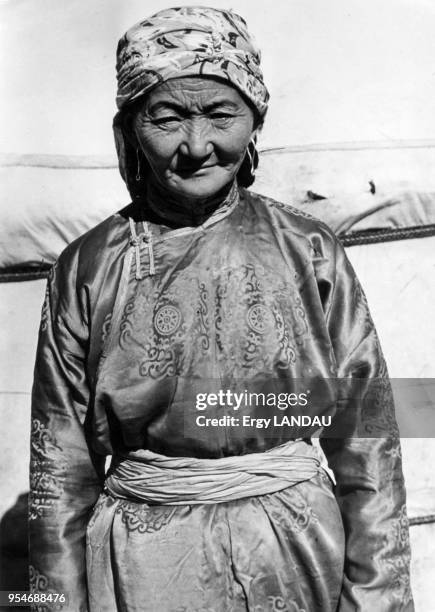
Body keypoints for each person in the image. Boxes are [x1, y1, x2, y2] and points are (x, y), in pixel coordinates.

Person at [29, 6, 413, 611]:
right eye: (168, 116)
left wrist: (378, 599)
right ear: (130, 126)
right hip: (141, 568)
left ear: (254, 119)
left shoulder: (309, 251)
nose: (196, 145)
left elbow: (369, 436)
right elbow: (59, 468)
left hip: (294, 554)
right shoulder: (88, 267)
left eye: (220, 113)